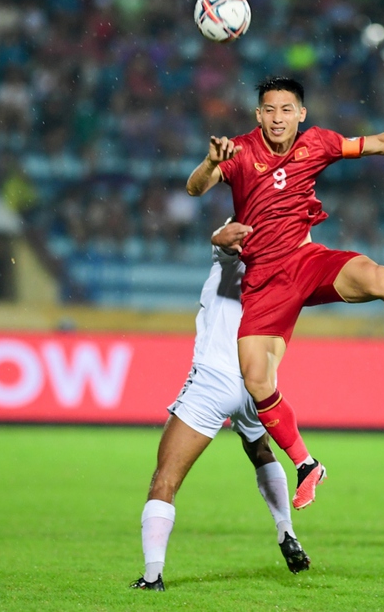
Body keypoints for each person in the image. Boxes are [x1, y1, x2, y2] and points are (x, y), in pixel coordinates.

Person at [186, 76, 384, 512]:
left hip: (307, 261)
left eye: (286, 109)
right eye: (269, 109)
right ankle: (307, 465)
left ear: (301, 114)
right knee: (256, 378)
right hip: (265, 283)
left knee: (371, 272)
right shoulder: (239, 150)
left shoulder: (318, 144)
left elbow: (379, 143)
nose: (277, 118)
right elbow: (195, 188)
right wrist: (210, 163)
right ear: (258, 115)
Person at [131, 222, 310, 592]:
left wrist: (233, 229)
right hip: (257, 380)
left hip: (214, 378)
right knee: (260, 450)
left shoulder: (236, 241)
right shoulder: (286, 261)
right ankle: (286, 531)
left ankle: (152, 576)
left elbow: (223, 239)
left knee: (164, 479)